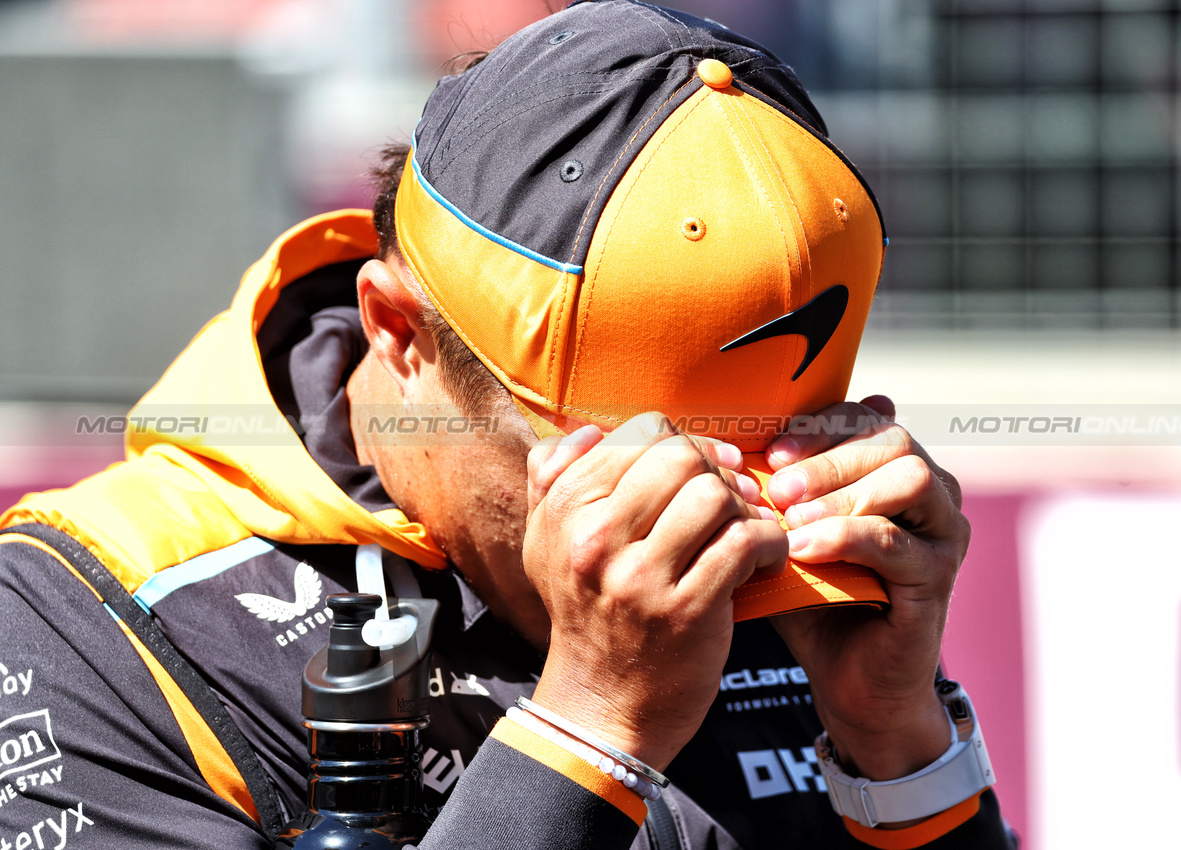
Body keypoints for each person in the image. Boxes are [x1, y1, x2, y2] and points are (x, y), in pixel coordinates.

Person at [0, 1, 1014, 847]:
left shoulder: (797, 586)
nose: (713, 521)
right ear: (398, 332)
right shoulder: (85, 622)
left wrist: (901, 748)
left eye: (768, 447)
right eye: (618, 459)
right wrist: (588, 727)